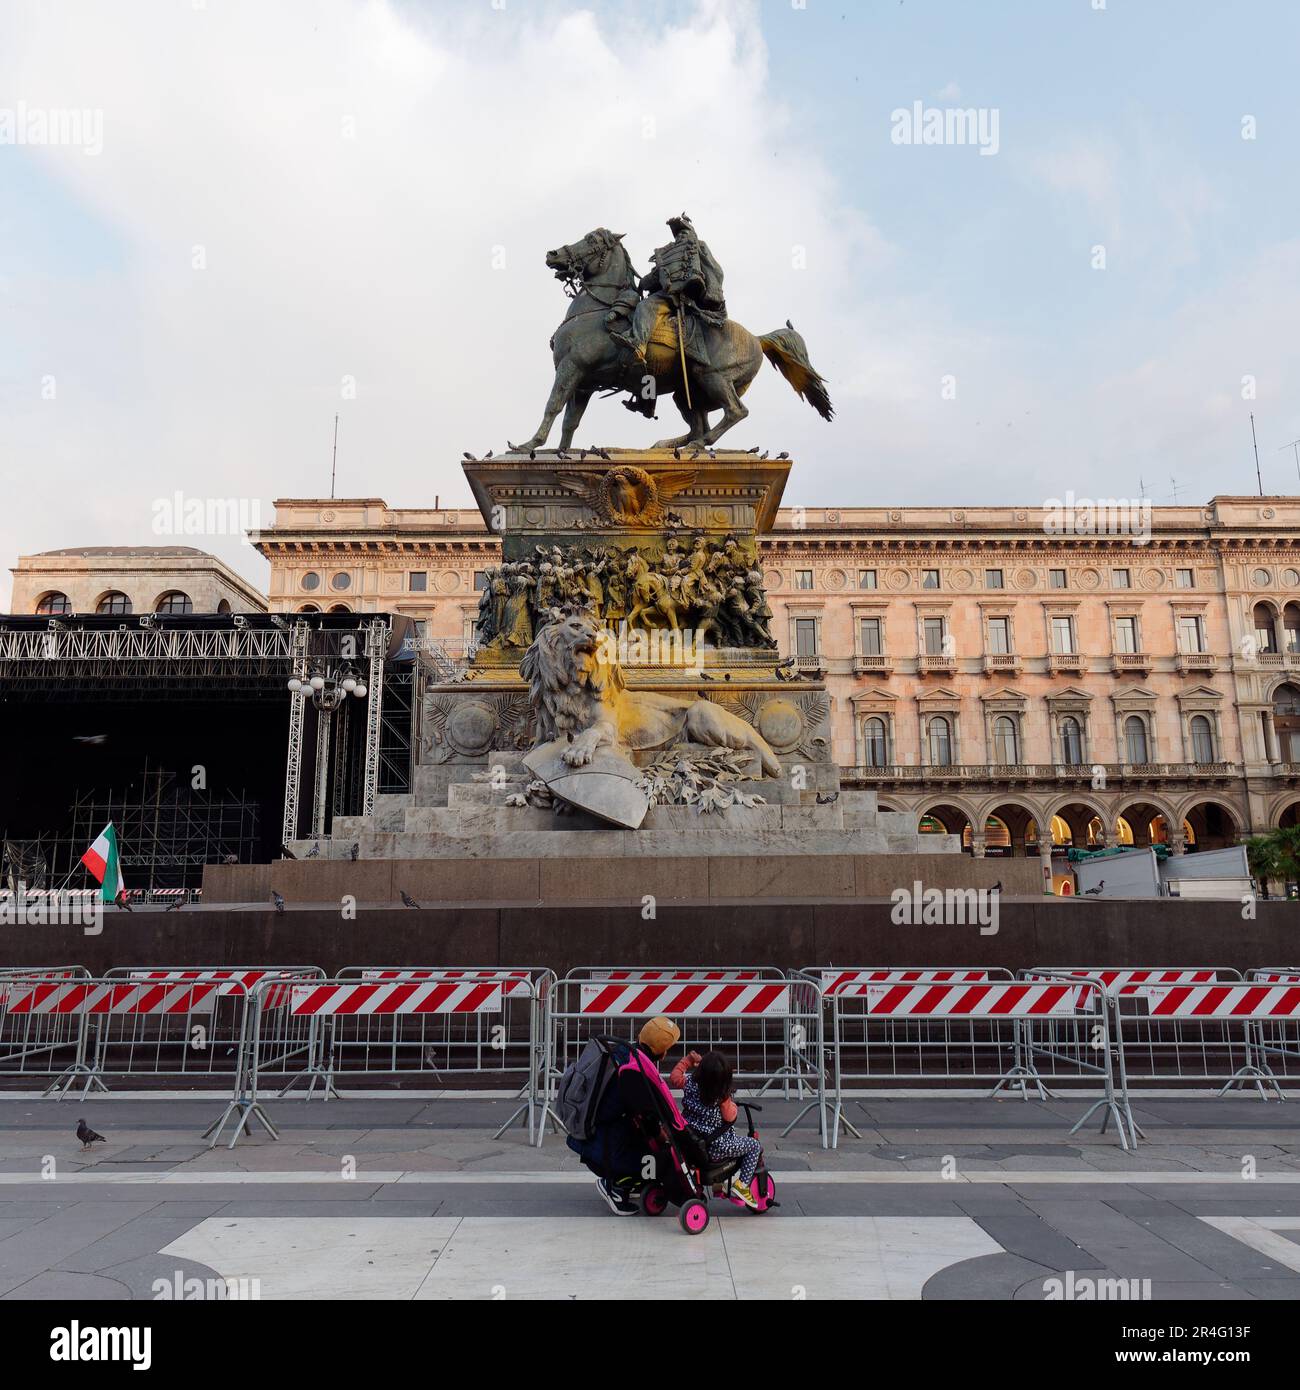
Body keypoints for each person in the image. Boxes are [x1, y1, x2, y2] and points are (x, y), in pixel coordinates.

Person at [576, 1015, 686, 1216]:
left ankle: (622, 1180)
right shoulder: (638, 1072)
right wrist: (666, 1138)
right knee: (658, 1160)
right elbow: (648, 1115)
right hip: (609, 1142)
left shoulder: (626, 1053)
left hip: (599, 1132)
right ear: (662, 1053)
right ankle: (616, 1188)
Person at [670, 1049, 761, 1209]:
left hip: (692, 1140)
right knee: (753, 1146)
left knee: (735, 1140)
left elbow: (675, 1077)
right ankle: (742, 1185)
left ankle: (719, 1186)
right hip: (715, 1147)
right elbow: (730, 1117)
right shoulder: (720, 1096)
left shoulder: (690, 1083)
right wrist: (731, 1103)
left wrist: (688, 1060)